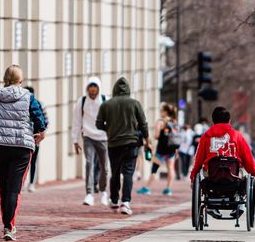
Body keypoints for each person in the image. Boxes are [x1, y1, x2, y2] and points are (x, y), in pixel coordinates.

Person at [0, 65, 47, 241]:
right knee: (15, 189)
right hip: (21, 148)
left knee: (4, 187)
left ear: (4, 79)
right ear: (20, 81)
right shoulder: (28, 97)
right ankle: (9, 226)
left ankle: (7, 224)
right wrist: (40, 134)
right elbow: (40, 121)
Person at [190, 106, 255, 218]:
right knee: (242, 173)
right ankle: (240, 204)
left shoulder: (206, 137)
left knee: (206, 171)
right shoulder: (237, 136)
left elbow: (198, 160)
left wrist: (193, 177)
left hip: (212, 177)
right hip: (233, 177)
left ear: (213, 120)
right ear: (229, 121)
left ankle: (211, 205)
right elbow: (248, 159)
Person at [95, 77, 149, 215]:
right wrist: (147, 139)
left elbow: (99, 124)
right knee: (128, 173)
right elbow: (143, 123)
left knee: (115, 173)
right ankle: (125, 203)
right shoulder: (135, 103)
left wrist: (110, 129)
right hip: (131, 143)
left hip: (114, 143)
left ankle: (114, 200)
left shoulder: (106, 105)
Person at [71, 77, 109, 206]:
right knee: (89, 164)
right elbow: (76, 121)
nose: (93, 89)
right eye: (90, 86)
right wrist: (75, 140)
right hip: (88, 137)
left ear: (98, 88)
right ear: (88, 88)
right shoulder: (81, 101)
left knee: (104, 166)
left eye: (95, 86)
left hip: (103, 137)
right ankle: (89, 193)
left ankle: (103, 191)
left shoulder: (105, 101)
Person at [137, 103, 179, 196]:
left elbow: (156, 136)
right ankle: (168, 189)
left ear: (165, 111)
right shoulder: (174, 122)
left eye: (161, 111)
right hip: (171, 149)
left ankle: (147, 188)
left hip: (162, 149)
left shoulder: (160, 122)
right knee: (171, 168)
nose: (160, 112)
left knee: (154, 168)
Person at [24, 86, 49, 193]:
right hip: (24, 136)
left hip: (35, 137)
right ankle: (23, 182)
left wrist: (40, 133)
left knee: (33, 161)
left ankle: (31, 183)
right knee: (24, 161)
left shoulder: (39, 104)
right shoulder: (21, 105)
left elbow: (45, 120)